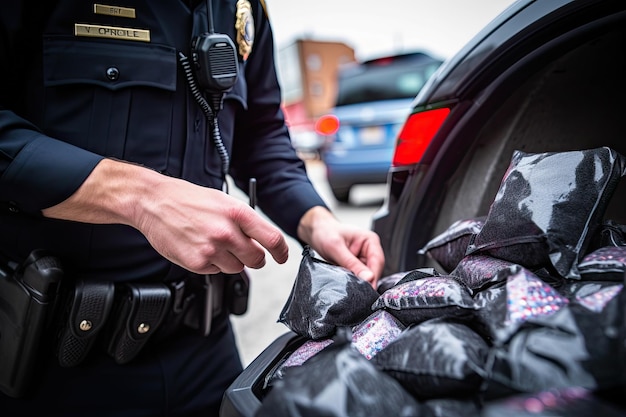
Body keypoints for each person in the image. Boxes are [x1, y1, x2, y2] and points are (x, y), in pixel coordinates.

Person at [0, 1, 385, 416]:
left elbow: (262, 140)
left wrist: (318, 221)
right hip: (59, 360)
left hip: (207, 351)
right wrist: (141, 196)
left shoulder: (243, 9)